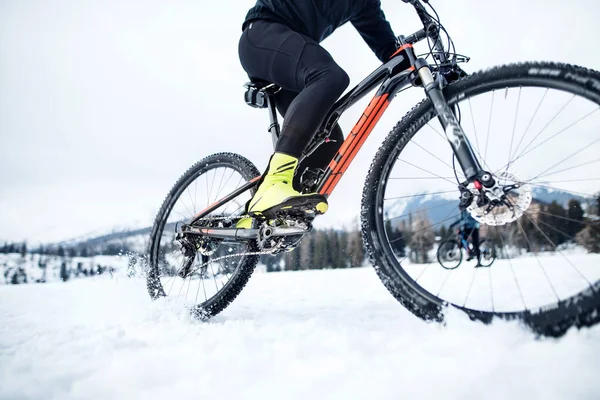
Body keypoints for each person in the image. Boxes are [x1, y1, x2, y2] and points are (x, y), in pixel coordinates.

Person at [237, 0, 398, 225]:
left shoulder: (364, 4)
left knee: (329, 140)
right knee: (330, 76)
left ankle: (265, 216)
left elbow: (390, 52)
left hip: (290, 60)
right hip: (262, 34)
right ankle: (274, 182)